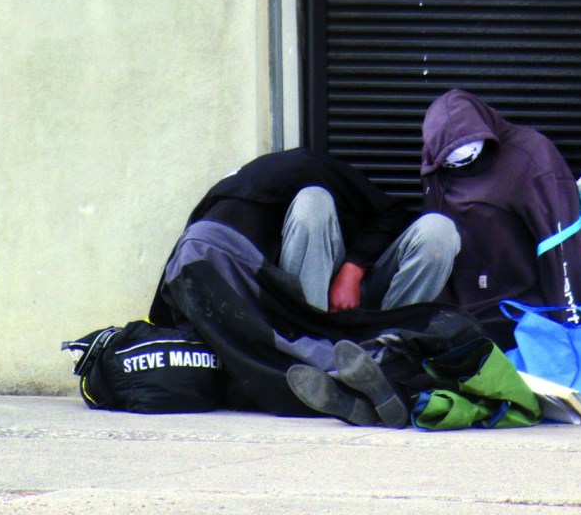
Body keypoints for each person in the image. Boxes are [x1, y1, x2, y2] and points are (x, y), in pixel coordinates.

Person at [146, 147, 476, 425]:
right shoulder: (216, 232)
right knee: (312, 201)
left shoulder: (304, 173)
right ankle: (331, 367)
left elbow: (390, 213)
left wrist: (352, 271)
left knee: (438, 230)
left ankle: (390, 352)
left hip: (370, 311)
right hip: (299, 324)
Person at [421, 89, 581, 349]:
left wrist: (571, 330)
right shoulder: (436, 172)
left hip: (525, 311)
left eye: (470, 152)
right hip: (465, 314)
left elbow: (561, 246)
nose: (465, 162)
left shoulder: (532, 156)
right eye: (455, 160)